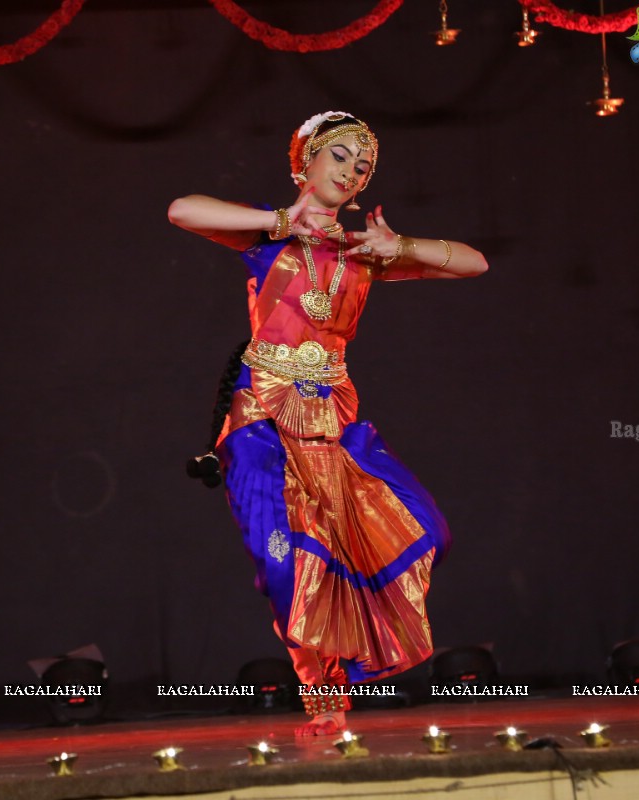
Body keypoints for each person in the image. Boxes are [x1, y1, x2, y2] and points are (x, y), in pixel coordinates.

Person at [168, 111, 487, 736]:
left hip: (335, 426)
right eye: (339, 156)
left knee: (424, 531)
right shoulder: (266, 234)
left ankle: (352, 669)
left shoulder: (363, 253)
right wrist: (278, 221)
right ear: (305, 162)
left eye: (362, 166)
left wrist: (404, 248)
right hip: (260, 418)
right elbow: (182, 209)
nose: (351, 171)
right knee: (286, 562)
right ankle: (323, 695)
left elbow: (475, 263)